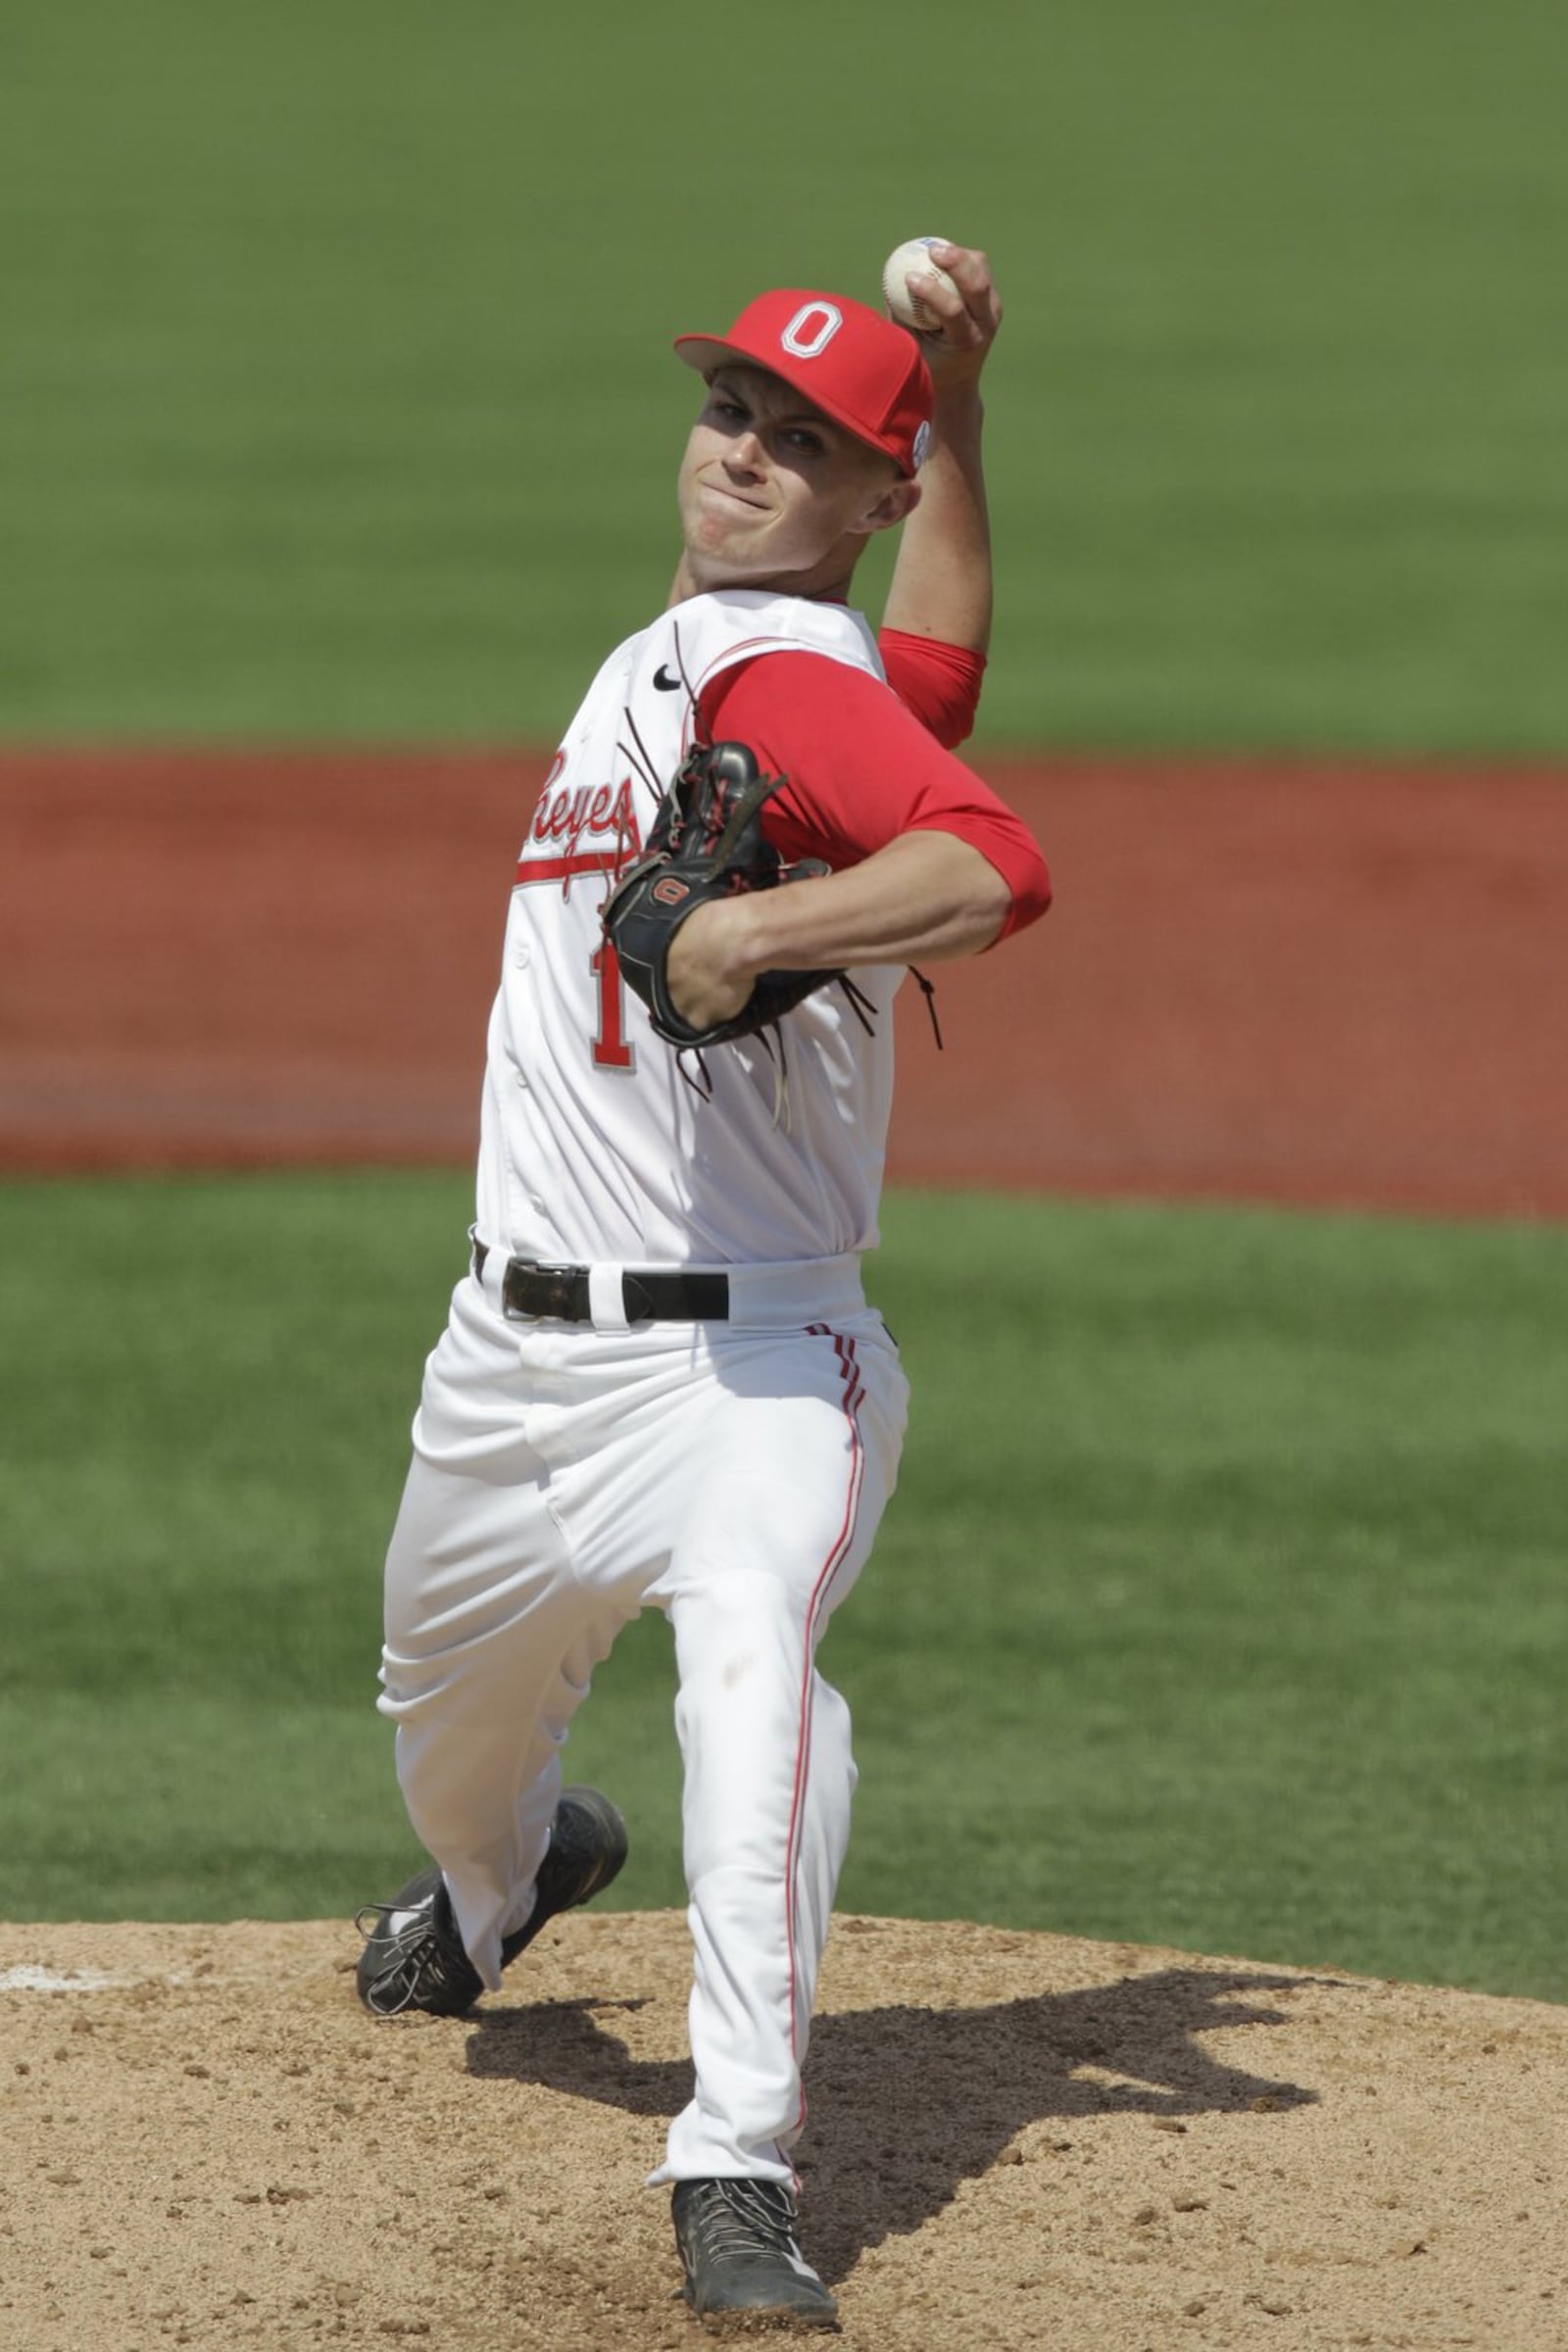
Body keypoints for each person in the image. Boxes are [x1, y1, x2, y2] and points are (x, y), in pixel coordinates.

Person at [355, 243, 1051, 2328]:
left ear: (857, 493)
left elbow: (990, 865)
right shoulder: (714, 655)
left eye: (807, 441)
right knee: (440, 1748)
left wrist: (757, 937)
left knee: (755, 1689)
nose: (744, 451)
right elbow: (926, 677)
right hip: (505, 1367)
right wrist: (956, 408)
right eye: (732, 412)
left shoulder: (763, 680)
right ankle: (504, 1883)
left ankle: (733, 2163)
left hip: (749, 1372)